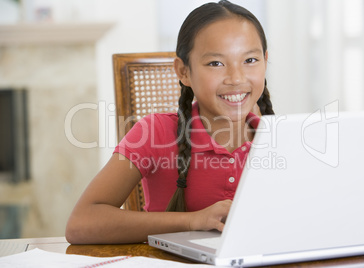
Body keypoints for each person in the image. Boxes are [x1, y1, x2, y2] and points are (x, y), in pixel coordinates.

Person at [65, 0, 274, 244]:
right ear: (184, 72)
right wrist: (192, 221)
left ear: (265, 61)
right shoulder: (155, 132)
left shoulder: (280, 140)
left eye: (250, 60)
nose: (236, 78)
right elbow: (81, 224)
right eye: (216, 63)